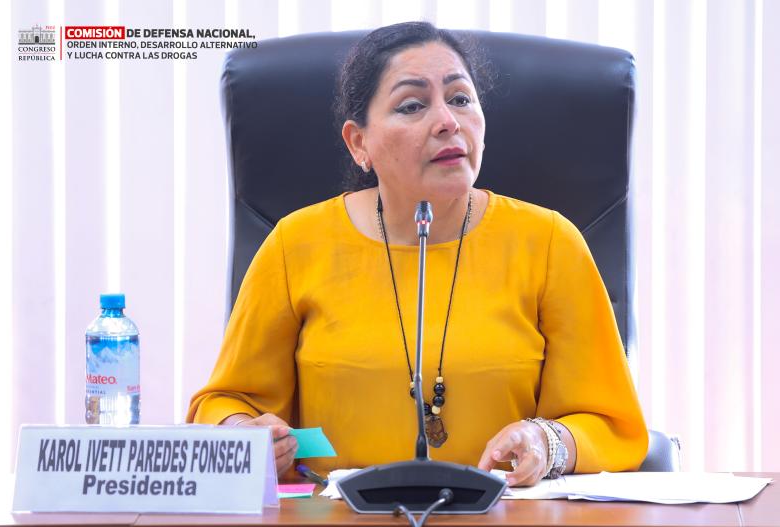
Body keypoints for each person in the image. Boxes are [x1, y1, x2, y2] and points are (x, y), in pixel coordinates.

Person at [187, 21, 647, 487]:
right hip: (338, 514)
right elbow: (225, 404)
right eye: (412, 105)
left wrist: (547, 442)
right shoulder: (296, 244)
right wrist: (244, 433)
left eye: (461, 99)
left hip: (501, 514)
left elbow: (608, 424)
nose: (449, 121)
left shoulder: (549, 243)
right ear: (359, 142)